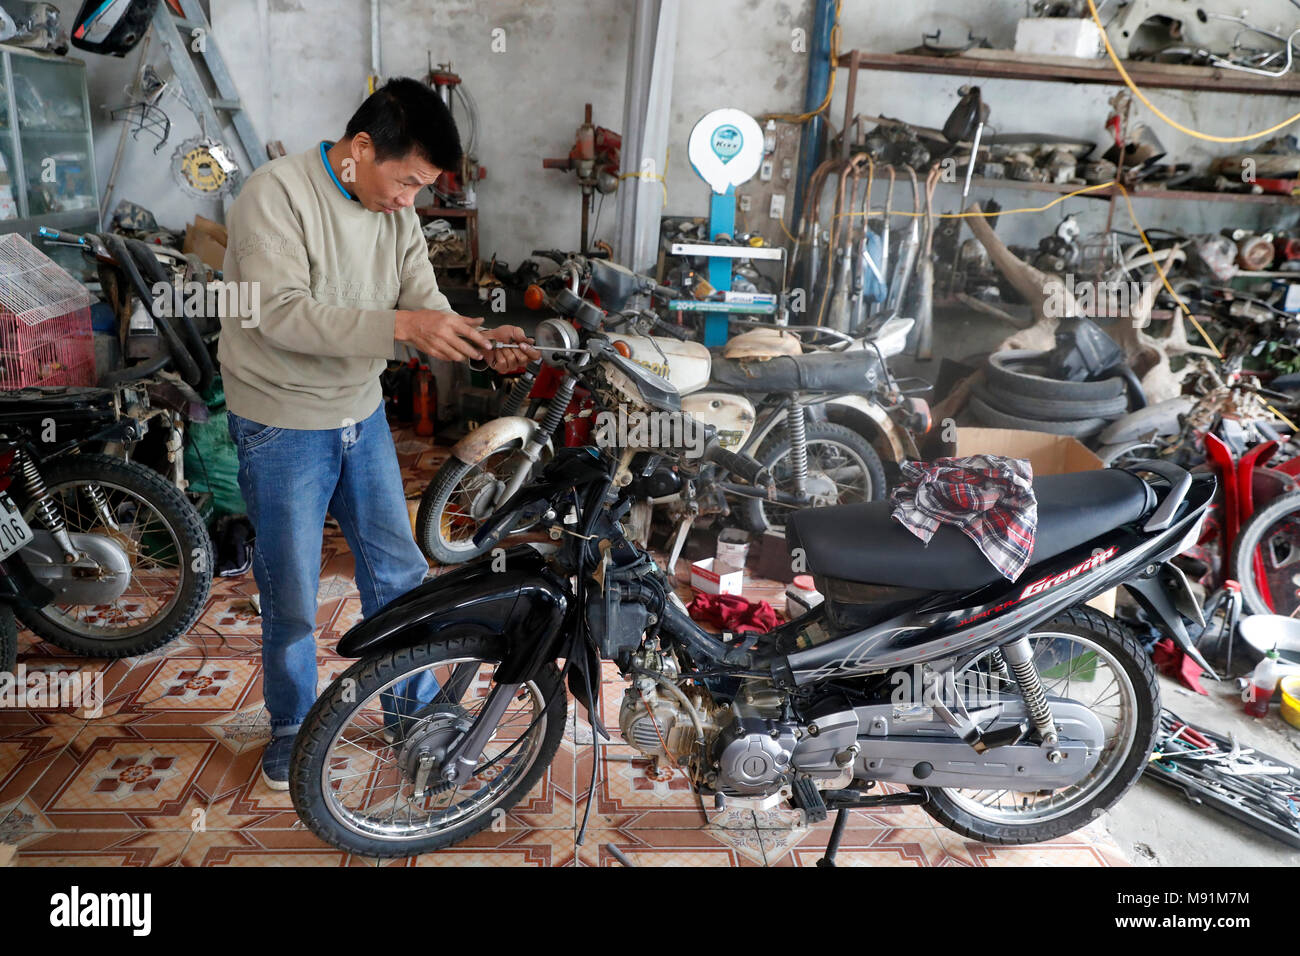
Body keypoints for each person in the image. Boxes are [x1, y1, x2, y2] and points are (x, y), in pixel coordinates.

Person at [217, 78, 539, 790]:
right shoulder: (275, 196)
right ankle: (293, 723)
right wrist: (402, 327)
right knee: (292, 589)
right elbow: (280, 315)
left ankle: (409, 715)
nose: (409, 202)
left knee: (398, 572)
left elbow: (420, 297)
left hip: (359, 412)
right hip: (281, 420)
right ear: (361, 150)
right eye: (406, 181)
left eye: (422, 188)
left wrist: (476, 340)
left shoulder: (393, 213)